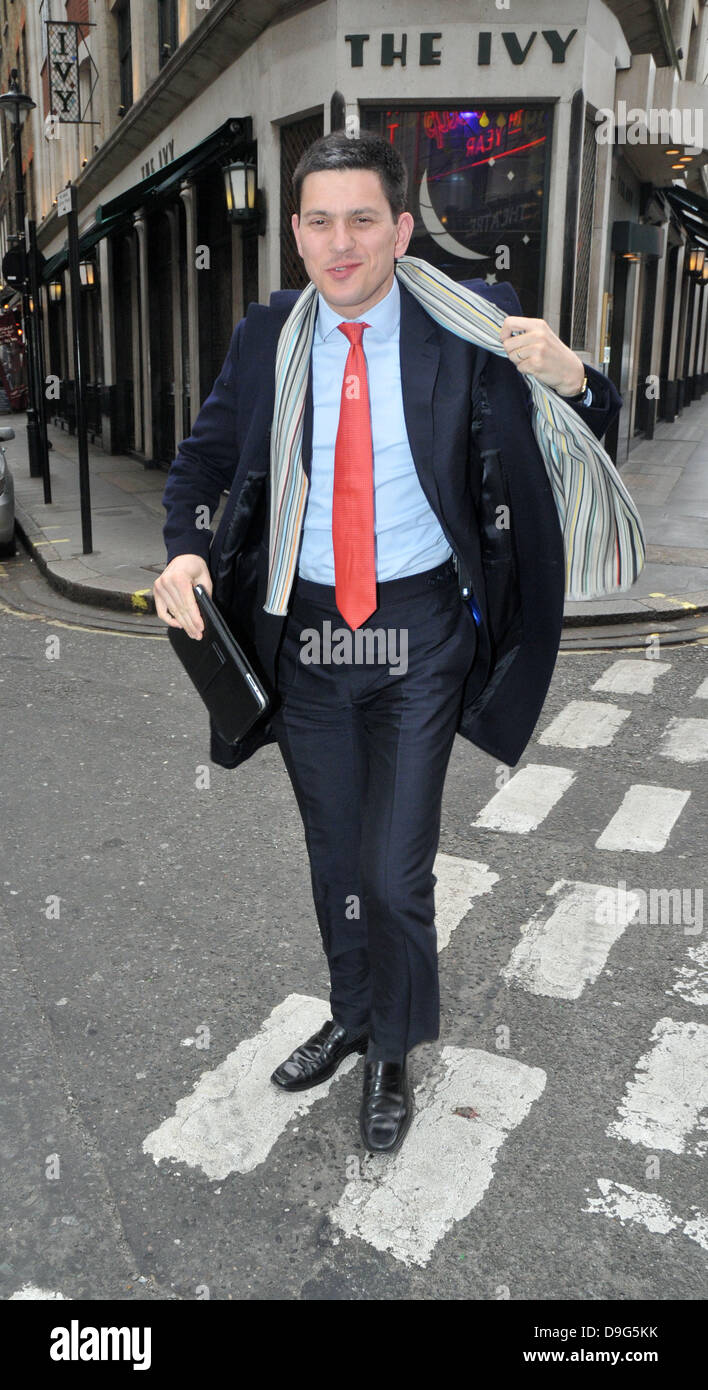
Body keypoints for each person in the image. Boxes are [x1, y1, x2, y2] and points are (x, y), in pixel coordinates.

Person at [154, 132, 622, 1156]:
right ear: (295, 232)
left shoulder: (467, 321)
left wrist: (572, 369)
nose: (341, 242)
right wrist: (185, 553)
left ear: (402, 228)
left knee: (397, 869)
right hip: (309, 636)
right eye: (319, 220)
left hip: (419, 630)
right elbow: (198, 467)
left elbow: (603, 412)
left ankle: (396, 1049)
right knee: (337, 859)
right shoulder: (269, 334)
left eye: (363, 218)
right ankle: (354, 1009)